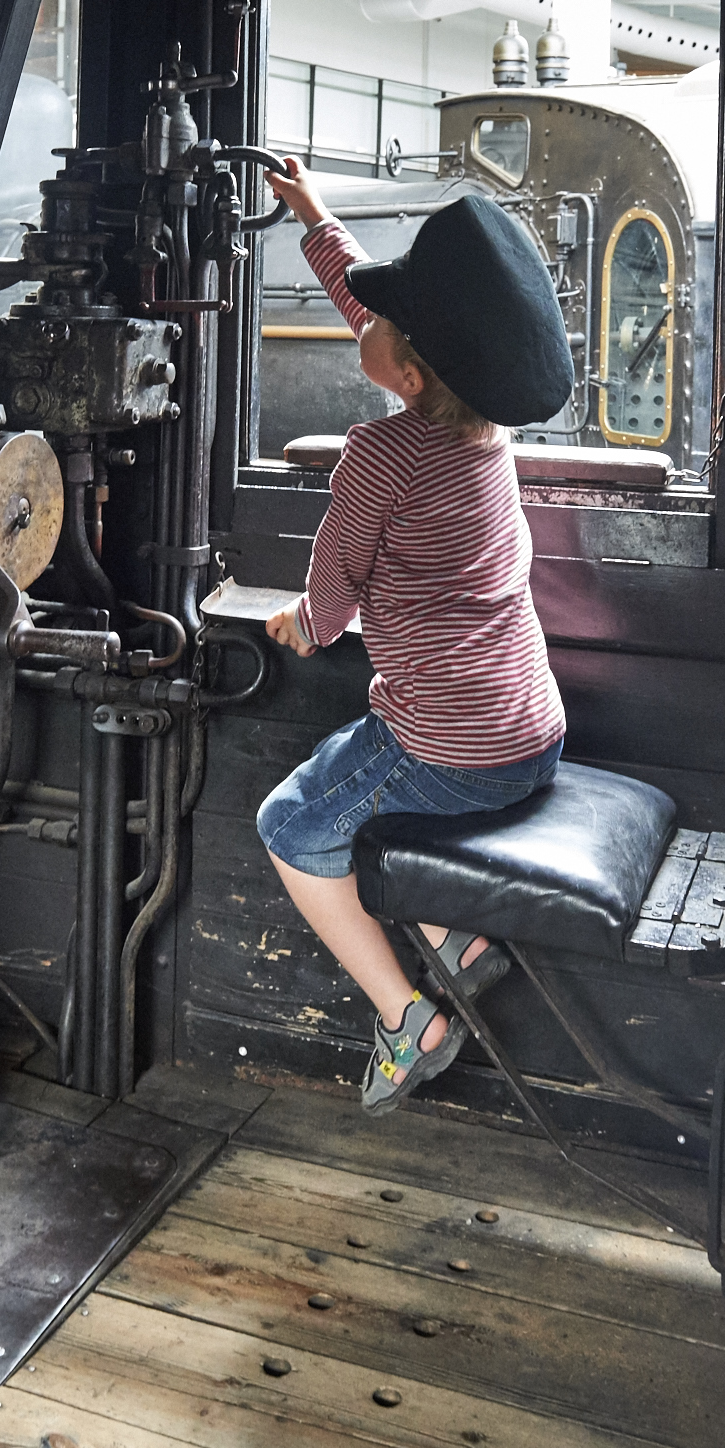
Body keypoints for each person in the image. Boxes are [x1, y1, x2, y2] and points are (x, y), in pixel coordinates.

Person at [255, 157, 573, 1115]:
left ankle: (407, 1019)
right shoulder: (479, 427)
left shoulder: (380, 453)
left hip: (453, 754)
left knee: (296, 824)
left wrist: (303, 627)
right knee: (366, 773)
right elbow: (376, 317)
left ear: (410, 368)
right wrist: (314, 216)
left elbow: (335, 585)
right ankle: (456, 935)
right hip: (533, 737)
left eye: (384, 321)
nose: (368, 317)